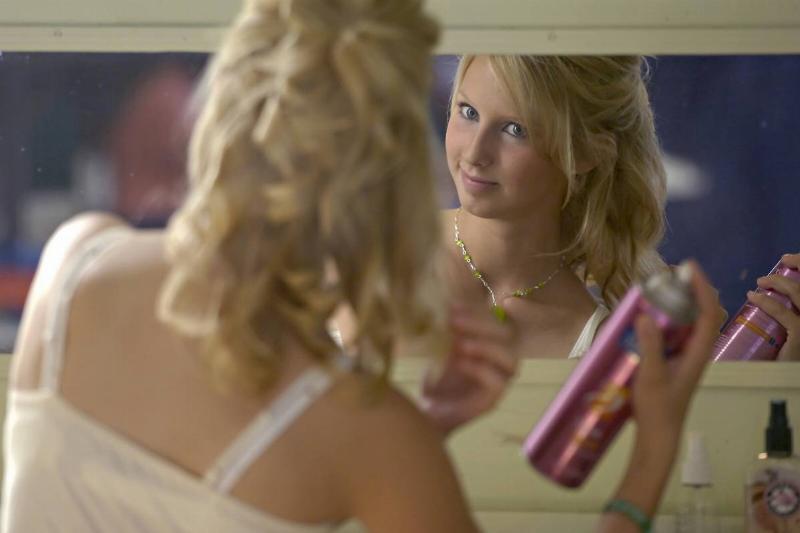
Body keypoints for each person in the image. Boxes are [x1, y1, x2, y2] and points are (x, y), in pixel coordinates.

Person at [2, 2, 721, 533]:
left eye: (513, 128)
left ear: (224, 96)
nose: (474, 154)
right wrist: (653, 451)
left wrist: (414, 441)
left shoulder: (76, 259)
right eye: (464, 113)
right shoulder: (372, 436)